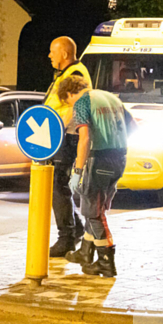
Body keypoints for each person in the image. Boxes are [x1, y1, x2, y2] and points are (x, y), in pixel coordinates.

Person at [56, 74, 133, 278]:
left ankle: (106, 262)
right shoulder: (112, 98)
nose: (70, 107)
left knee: (93, 213)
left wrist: (77, 171)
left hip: (99, 159)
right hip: (120, 158)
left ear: (70, 94)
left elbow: (84, 138)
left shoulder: (82, 103)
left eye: (68, 102)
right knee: (96, 207)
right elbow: (132, 126)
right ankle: (85, 252)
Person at [43, 37, 90, 257]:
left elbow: (74, 106)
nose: (49, 56)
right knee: (59, 185)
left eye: (52, 52)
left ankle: (67, 238)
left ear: (64, 54)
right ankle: (75, 228)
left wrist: (57, 128)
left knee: (58, 186)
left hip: (66, 136)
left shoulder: (75, 74)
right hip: (61, 135)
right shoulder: (67, 73)